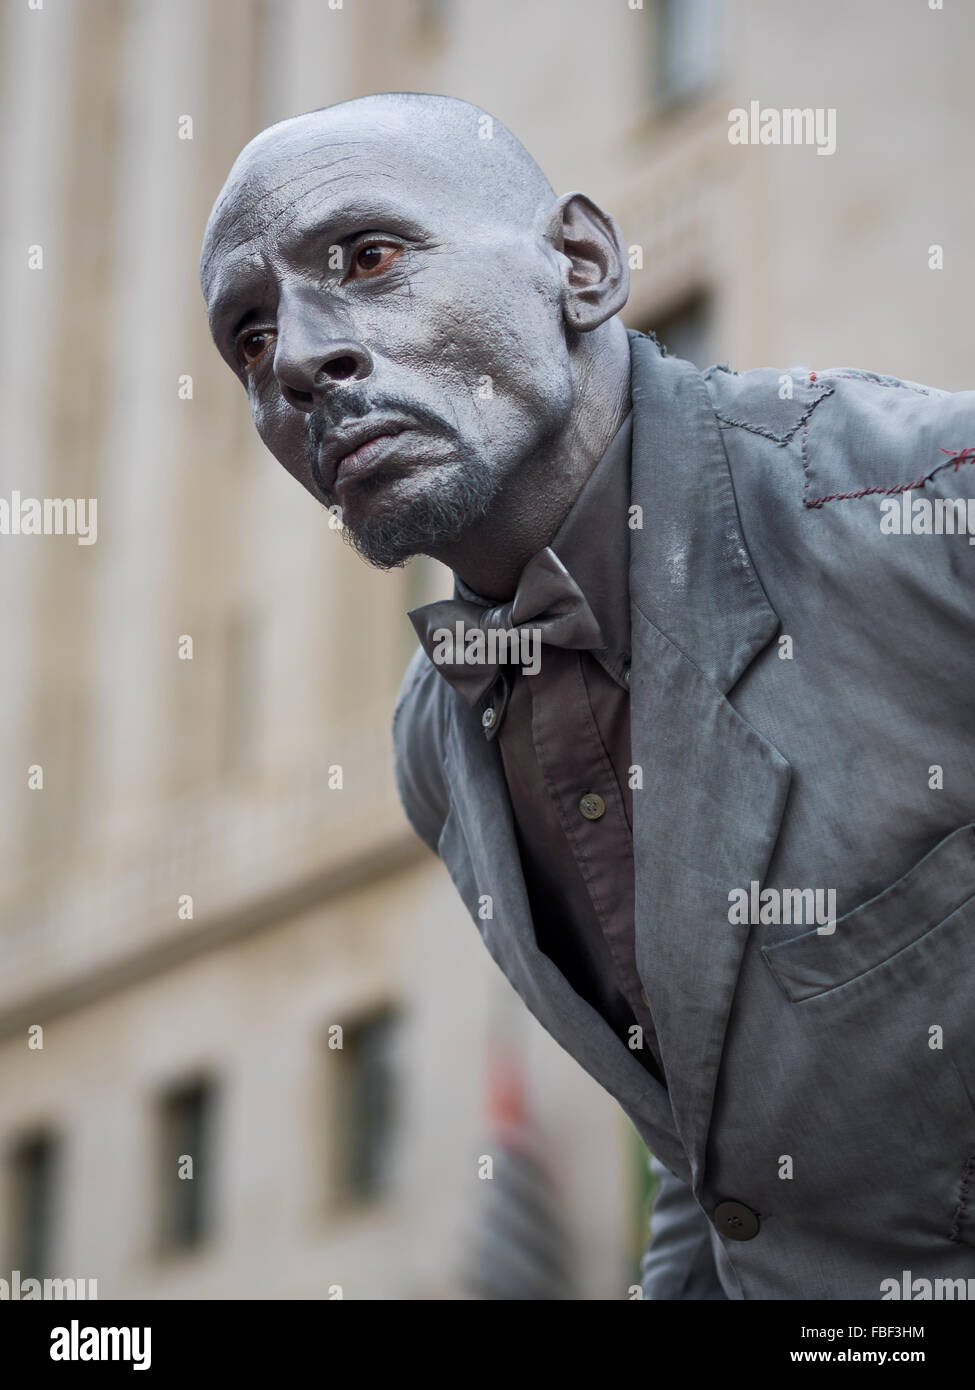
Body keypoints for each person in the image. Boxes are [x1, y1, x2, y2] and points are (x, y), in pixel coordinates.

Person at [201, 91, 975, 1300]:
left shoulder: (925, 515)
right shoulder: (435, 738)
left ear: (583, 266)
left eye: (368, 257)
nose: (297, 359)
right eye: (249, 339)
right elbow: (712, 1156)